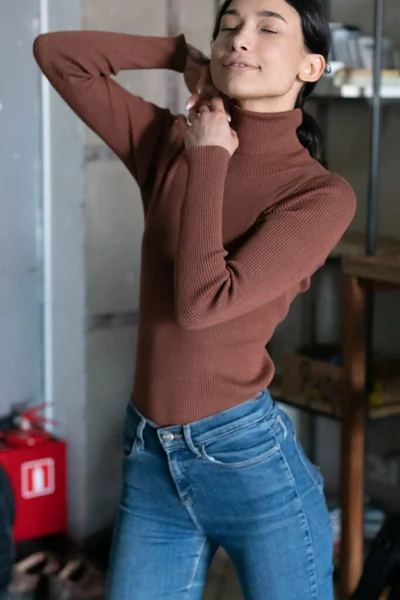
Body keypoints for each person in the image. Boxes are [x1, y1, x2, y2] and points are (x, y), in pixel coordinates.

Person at [34, 0, 356, 597]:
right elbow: (56, 56)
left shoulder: (319, 195)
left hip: (247, 461)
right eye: (229, 25)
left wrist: (209, 154)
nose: (240, 38)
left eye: (267, 27)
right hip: (149, 451)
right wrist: (180, 57)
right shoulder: (167, 142)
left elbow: (201, 305)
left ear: (311, 67)